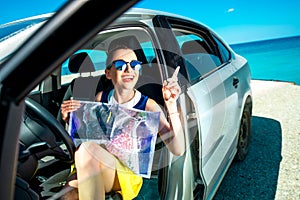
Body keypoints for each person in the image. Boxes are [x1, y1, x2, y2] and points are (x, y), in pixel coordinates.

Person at [60, 45, 185, 200]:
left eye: (134, 64)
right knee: (66, 195)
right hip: (96, 161)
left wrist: (171, 105)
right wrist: (71, 120)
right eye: (120, 65)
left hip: (125, 172)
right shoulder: (101, 98)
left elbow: (178, 149)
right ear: (108, 73)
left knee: (86, 151)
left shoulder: (148, 106)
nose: (128, 69)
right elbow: (90, 133)